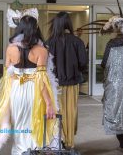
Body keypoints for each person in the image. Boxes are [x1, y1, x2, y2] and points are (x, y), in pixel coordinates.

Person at [0, 8, 58, 154]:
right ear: (36, 29)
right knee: (35, 125)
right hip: (34, 93)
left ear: (19, 29)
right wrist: (49, 103)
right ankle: (33, 151)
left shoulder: (10, 49)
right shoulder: (42, 50)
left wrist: (17, 78)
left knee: (19, 127)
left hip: (17, 91)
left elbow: (7, 74)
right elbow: (41, 80)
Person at [46, 11, 88, 149]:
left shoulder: (49, 43)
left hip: (54, 85)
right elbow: (83, 62)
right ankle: (69, 142)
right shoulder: (77, 41)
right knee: (71, 112)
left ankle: (56, 142)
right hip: (72, 83)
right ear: (69, 23)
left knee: (56, 113)